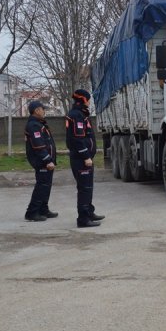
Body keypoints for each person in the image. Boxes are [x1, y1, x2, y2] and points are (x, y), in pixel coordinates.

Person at [66, 89, 105, 228]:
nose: (89, 101)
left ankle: (89, 212)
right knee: (84, 189)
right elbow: (78, 138)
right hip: (81, 159)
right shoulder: (76, 115)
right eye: (87, 99)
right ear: (82, 99)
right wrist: (86, 156)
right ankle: (83, 219)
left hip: (84, 158)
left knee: (88, 187)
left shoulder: (81, 114)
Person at [24, 101, 58, 222]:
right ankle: (32, 213)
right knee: (41, 186)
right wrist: (47, 160)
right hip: (42, 161)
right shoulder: (33, 125)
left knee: (46, 186)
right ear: (37, 110)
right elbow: (38, 145)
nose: (44, 111)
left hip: (46, 161)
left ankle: (43, 209)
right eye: (43, 109)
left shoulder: (39, 123)